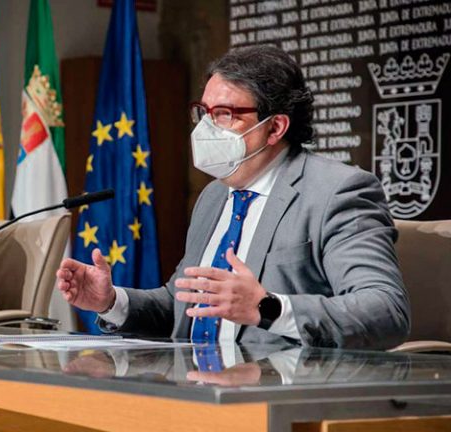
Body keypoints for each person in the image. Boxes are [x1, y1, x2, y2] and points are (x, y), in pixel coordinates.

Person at [57, 45, 410, 349]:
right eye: (204, 113)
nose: (206, 128)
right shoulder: (214, 195)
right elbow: (185, 304)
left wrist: (268, 308)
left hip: (278, 391)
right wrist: (111, 301)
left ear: (275, 127)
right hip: (194, 385)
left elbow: (385, 311)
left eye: (224, 114)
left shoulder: (337, 191)